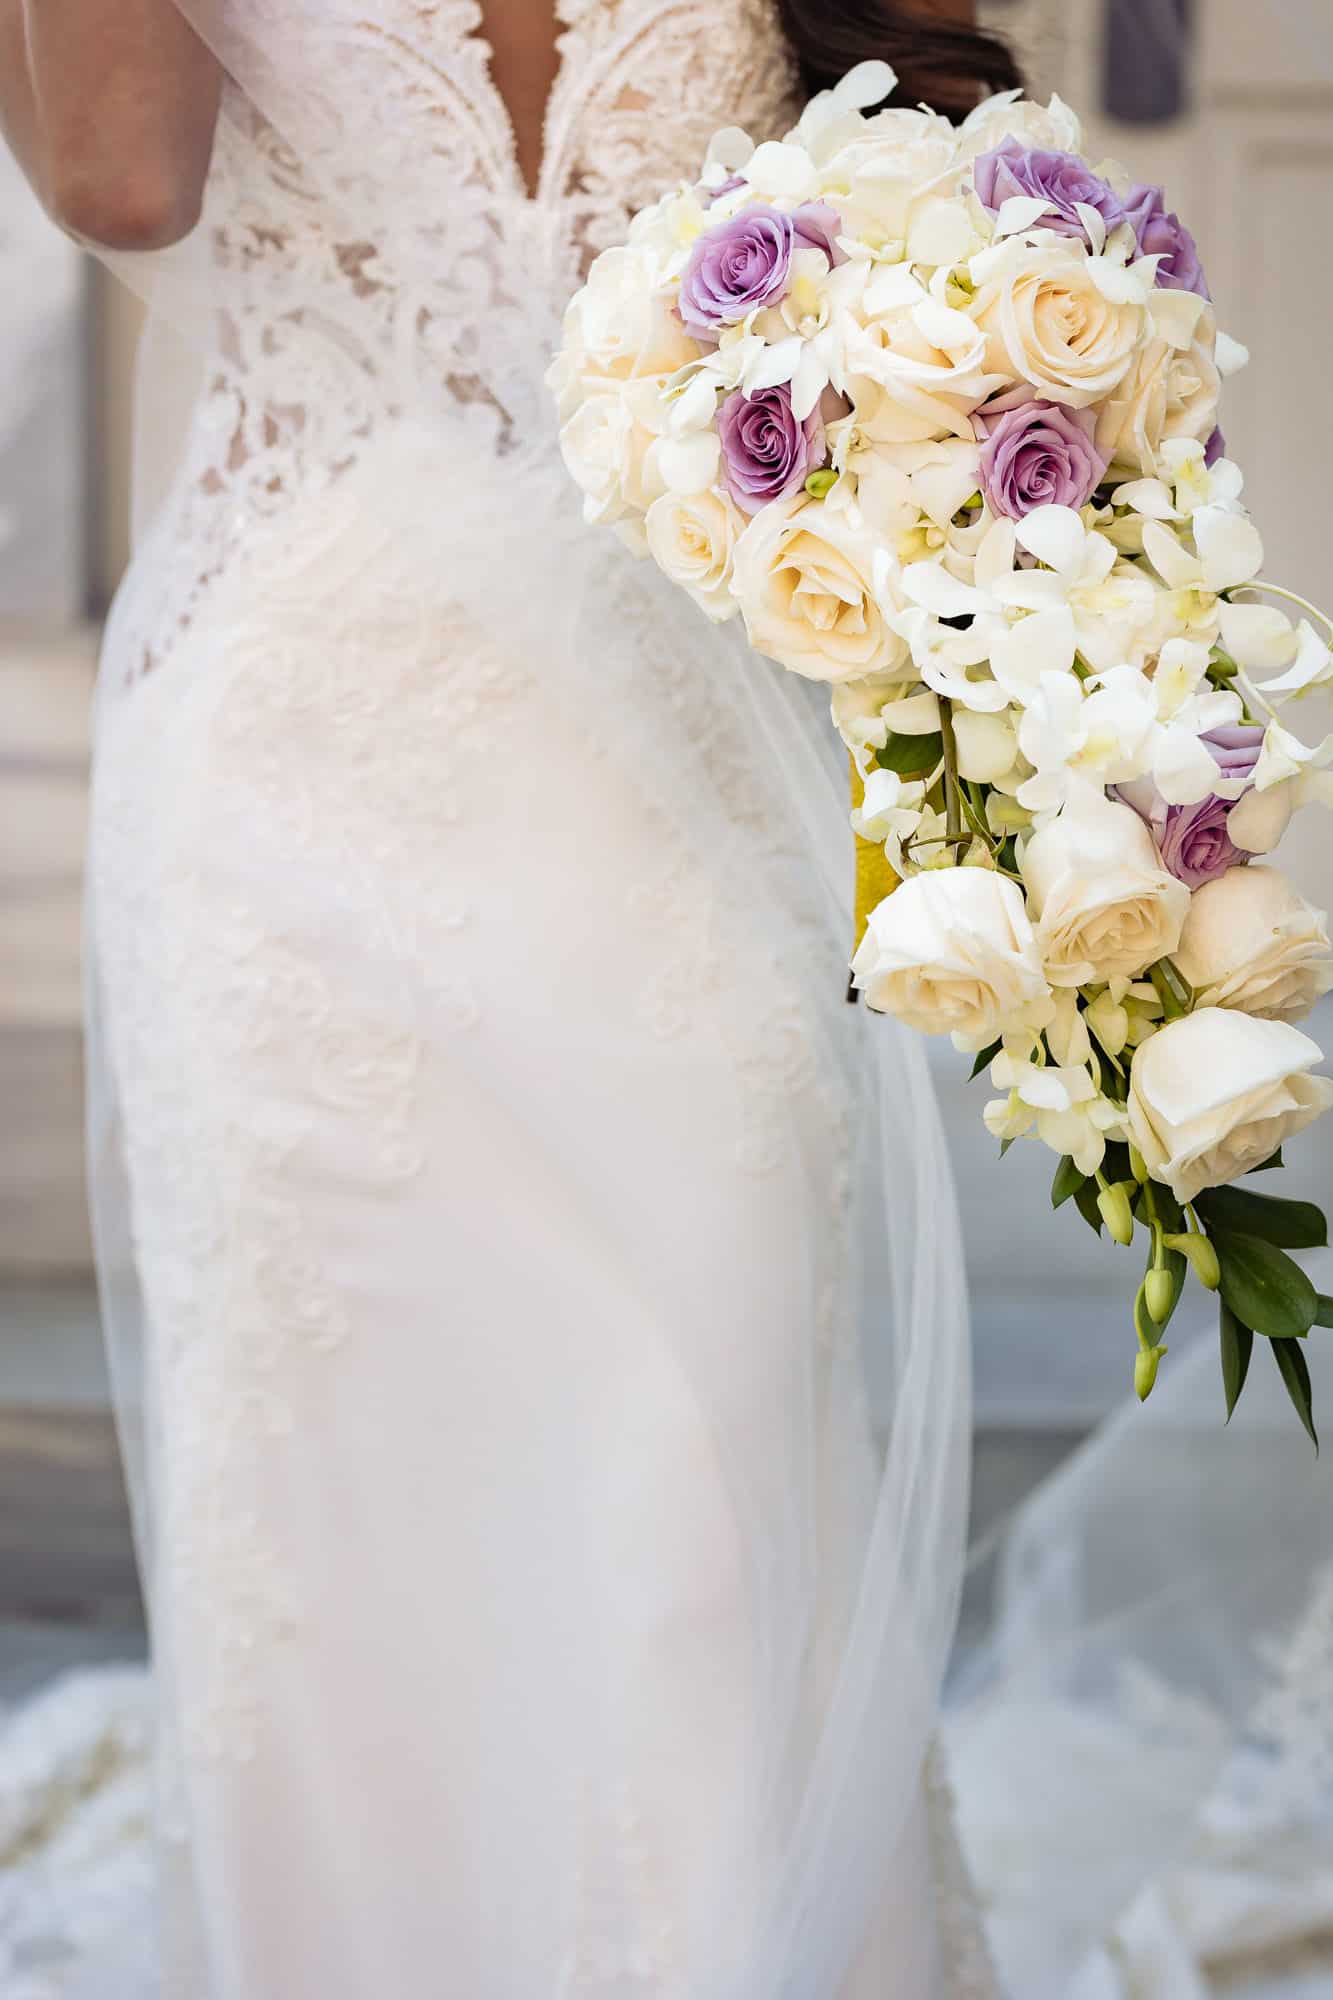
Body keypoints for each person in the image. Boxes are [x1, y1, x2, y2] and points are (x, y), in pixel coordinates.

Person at [2, 4, 1022, 1993]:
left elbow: (941, 173)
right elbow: (121, 176)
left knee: (693, 1469)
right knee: (351, 1508)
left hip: (667, 765)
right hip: (305, 773)